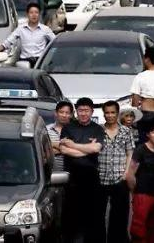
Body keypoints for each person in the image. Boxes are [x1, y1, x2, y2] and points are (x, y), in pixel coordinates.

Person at [60, 97, 107, 241]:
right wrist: (87, 149)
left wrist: (73, 145)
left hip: (91, 177)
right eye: (80, 110)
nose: (83, 113)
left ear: (92, 112)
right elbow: (64, 150)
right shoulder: (68, 128)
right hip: (72, 178)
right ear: (76, 111)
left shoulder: (98, 129)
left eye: (86, 110)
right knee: (71, 214)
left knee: (92, 215)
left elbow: (96, 148)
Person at [100, 100, 136, 243]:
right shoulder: (98, 130)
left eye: (113, 112)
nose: (110, 115)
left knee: (120, 214)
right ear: (104, 114)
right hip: (101, 177)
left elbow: (130, 153)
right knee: (98, 214)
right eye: (107, 113)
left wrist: (126, 172)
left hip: (120, 177)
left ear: (117, 113)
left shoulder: (126, 131)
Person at [128, 119, 154, 243]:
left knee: (153, 226)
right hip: (142, 193)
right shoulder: (140, 150)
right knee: (139, 227)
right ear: (148, 134)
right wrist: (134, 192)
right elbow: (130, 174)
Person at [47, 100, 74, 171]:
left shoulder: (76, 131)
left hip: (71, 172)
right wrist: (68, 149)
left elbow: (78, 149)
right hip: (50, 173)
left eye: (67, 113)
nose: (64, 115)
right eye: (61, 112)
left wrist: (52, 144)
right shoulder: (46, 130)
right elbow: (42, 151)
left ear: (71, 115)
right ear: (56, 113)